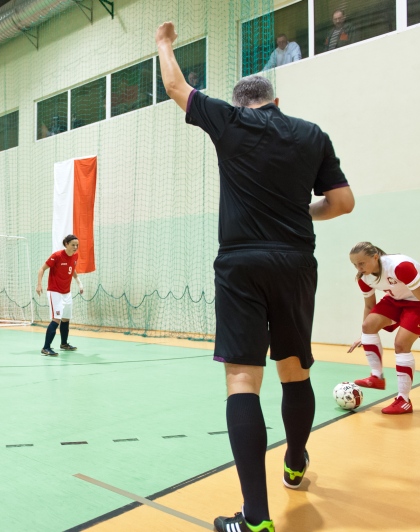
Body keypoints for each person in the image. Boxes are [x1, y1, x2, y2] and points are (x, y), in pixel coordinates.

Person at [156, 21, 355, 532]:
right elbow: (342, 202)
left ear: (239, 104)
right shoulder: (312, 134)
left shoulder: (228, 123)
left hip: (241, 263)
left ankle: (256, 518)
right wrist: (301, 212)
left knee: (243, 379)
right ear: (276, 99)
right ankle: (295, 462)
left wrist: (164, 44)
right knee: (296, 370)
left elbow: (177, 87)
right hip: (295, 261)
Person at [347, 242, 420, 414]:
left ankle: (403, 400)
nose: (358, 268)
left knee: (401, 344)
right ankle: (376, 377)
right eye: (355, 264)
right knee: (368, 325)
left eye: (361, 263)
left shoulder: (401, 267)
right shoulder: (364, 278)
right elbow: (370, 307)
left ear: (375, 257)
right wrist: (364, 334)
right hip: (397, 298)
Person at [35, 235, 84, 356]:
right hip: (55, 292)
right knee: (56, 319)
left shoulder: (75, 256)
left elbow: (72, 269)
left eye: (77, 245)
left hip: (66, 292)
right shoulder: (56, 256)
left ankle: (64, 344)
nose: (75, 247)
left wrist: (79, 283)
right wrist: (39, 284)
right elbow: (42, 269)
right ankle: (46, 347)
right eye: (73, 244)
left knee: (66, 318)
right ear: (66, 244)